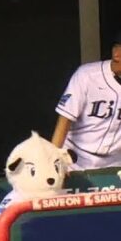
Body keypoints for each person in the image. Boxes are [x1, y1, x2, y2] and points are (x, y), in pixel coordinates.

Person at [51, 29, 121, 170]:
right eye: (116, 47)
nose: (117, 53)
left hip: (114, 163)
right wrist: (52, 159)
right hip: (75, 158)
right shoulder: (87, 75)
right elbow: (64, 121)